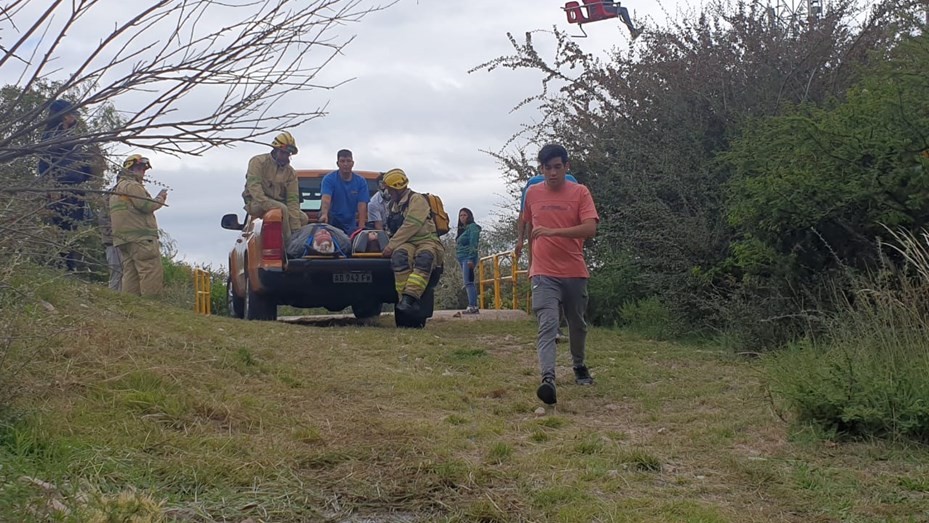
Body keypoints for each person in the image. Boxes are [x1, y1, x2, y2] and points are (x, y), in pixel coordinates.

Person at [519, 143, 599, 406]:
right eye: (547, 168)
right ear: (541, 169)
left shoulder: (580, 192)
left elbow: (590, 229)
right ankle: (548, 379)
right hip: (543, 272)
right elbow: (529, 224)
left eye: (557, 167)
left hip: (574, 270)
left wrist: (553, 232)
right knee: (548, 324)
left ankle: (579, 364)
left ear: (566, 167)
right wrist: (530, 261)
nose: (552, 173)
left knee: (577, 323)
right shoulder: (532, 193)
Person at [516, 171, 579, 342]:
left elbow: (523, 218)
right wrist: (521, 240)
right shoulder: (533, 185)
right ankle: (553, 327)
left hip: (559, 240)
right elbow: (525, 216)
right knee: (546, 280)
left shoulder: (571, 182)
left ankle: (557, 325)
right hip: (543, 239)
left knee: (554, 282)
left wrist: (520, 240)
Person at [37, 99, 95, 270]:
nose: (74, 117)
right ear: (63, 115)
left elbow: (79, 165)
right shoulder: (50, 136)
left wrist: (89, 168)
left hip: (75, 187)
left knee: (73, 225)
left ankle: (70, 266)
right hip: (60, 187)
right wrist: (51, 186)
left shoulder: (73, 137)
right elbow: (44, 164)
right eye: (71, 113)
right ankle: (63, 265)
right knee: (62, 225)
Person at [381, 168, 444, 314]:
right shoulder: (393, 205)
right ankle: (404, 300)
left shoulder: (417, 200)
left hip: (427, 241)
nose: (387, 192)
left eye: (389, 189)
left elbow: (411, 225)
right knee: (400, 258)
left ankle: (410, 298)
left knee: (424, 258)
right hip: (407, 243)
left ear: (397, 188)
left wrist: (391, 246)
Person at [109, 155, 167, 296]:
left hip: (123, 240)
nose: (143, 172)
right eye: (140, 168)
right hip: (141, 239)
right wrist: (160, 199)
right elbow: (146, 205)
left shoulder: (116, 189)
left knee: (131, 274)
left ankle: (130, 305)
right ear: (131, 168)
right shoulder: (133, 186)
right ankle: (152, 305)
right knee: (150, 271)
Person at [242, 131, 308, 239]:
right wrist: (267, 203)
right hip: (256, 202)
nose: (285, 156)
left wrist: (295, 228)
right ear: (275, 150)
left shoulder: (290, 173)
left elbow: (293, 200)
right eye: (283, 153)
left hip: (278, 203)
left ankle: (296, 240)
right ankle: (287, 243)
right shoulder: (258, 162)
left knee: (303, 218)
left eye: (288, 154)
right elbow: (254, 187)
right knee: (282, 209)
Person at [319, 149, 369, 235]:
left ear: (352, 163)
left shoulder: (361, 181)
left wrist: (361, 227)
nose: (345, 164)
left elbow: (362, 205)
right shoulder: (329, 179)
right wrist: (324, 214)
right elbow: (326, 199)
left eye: (348, 161)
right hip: (332, 222)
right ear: (337, 163)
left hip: (351, 223)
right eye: (342, 161)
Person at [97, 180, 122, 291]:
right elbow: (104, 219)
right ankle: (114, 297)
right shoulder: (111, 196)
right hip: (113, 241)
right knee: (117, 272)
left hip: (122, 239)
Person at [456, 208, 482, 314]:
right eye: (460, 215)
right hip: (462, 257)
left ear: (469, 216)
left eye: (464, 215)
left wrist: (471, 258)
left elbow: (473, 242)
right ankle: (472, 305)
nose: (462, 217)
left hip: (468, 257)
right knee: (467, 281)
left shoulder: (472, 227)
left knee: (468, 282)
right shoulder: (464, 229)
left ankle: (473, 306)